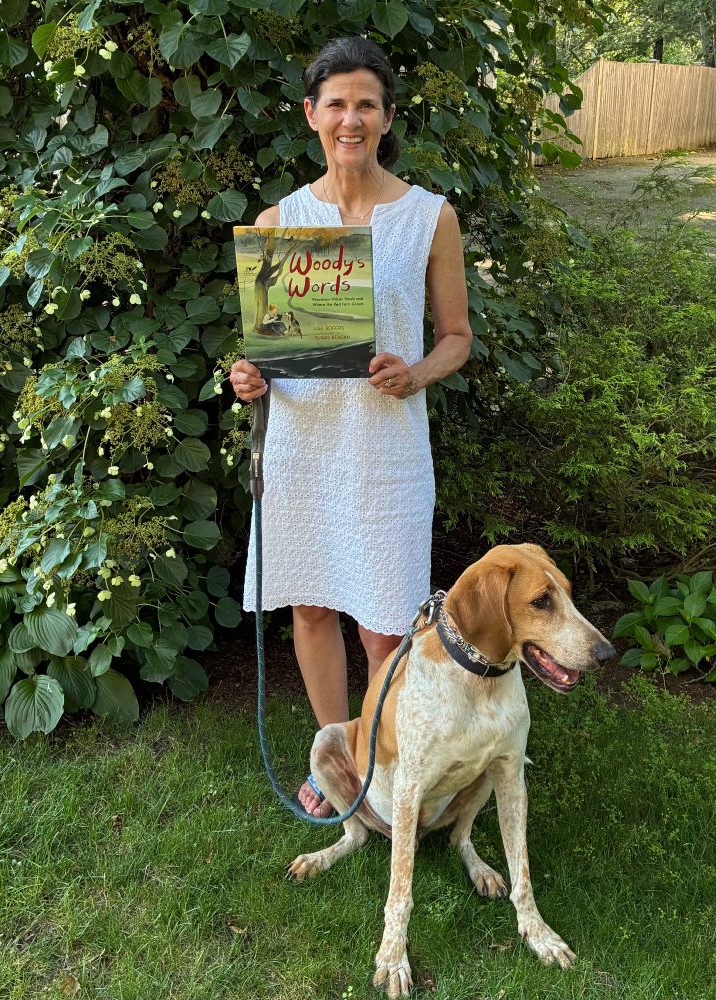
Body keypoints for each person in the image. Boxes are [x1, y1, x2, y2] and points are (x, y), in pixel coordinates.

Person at [230, 36, 472, 817]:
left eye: (366, 103)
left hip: (387, 453)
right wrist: (248, 377)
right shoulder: (282, 219)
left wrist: (417, 373)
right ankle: (335, 754)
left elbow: (457, 338)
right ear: (311, 115)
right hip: (304, 448)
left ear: (387, 115)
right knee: (310, 608)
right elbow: (269, 349)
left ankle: (382, 759)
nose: (351, 117)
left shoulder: (429, 217)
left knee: (382, 629)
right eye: (336, 102)